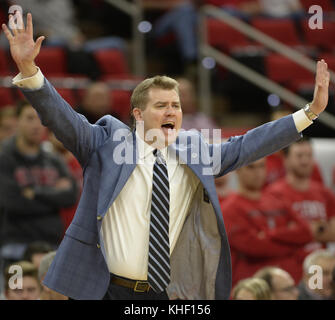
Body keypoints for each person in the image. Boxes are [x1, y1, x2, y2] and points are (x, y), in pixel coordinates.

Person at [1, 12, 330, 300]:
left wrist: (309, 112)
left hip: (166, 291)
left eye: (176, 105)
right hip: (102, 288)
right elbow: (61, 117)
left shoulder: (194, 150)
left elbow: (247, 146)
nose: (172, 111)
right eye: (161, 106)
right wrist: (30, 70)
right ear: (138, 115)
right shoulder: (104, 142)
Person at [0, 100, 78, 264]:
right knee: (19, 289)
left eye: (40, 119)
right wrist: (53, 194)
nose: (36, 125)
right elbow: (12, 202)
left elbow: (71, 196)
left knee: (48, 291)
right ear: (17, 121)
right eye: (29, 118)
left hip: (51, 247)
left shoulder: (53, 158)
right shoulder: (5, 157)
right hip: (16, 248)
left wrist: (34, 192)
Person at [221, 158, 315, 286]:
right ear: (237, 170)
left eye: (262, 166)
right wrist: (292, 244)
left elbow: (306, 232)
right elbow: (254, 248)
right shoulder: (229, 208)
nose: (258, 172)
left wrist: (270, 234)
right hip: (255, 287)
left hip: (290, 285)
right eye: (251, 167)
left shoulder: (277, 200)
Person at [266, 138, 335, 256]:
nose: (305, 161)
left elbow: (333, 233)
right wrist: (320, 228)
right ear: (285, 159)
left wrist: (299, 231)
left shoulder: (325, 193)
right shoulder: (273, 194)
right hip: (290, 265)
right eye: (299, 156)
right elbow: (278, 235)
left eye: (309, 155)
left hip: (320, 267)